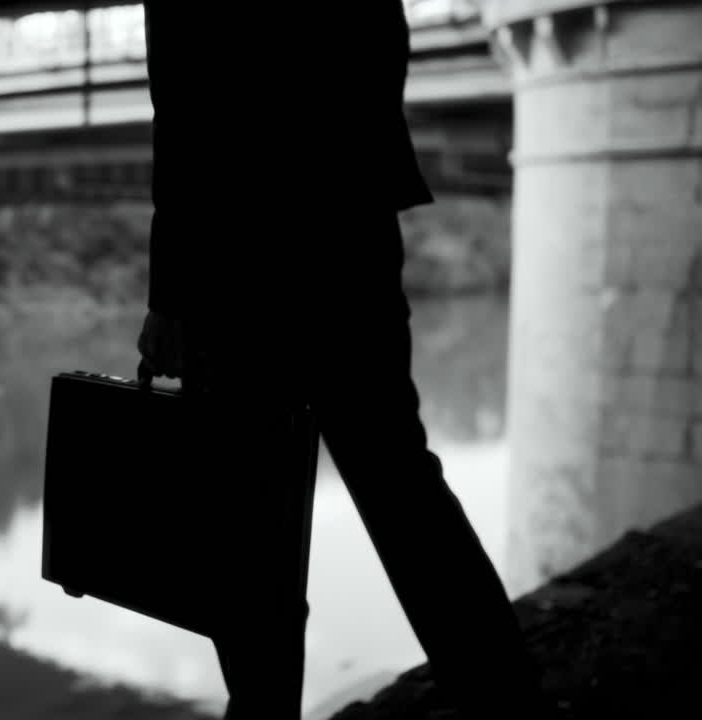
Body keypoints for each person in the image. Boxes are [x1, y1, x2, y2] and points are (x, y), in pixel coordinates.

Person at [134, 2, 547, 719]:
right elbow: (383, 38)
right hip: (348, 227)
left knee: (253, 511)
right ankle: (501, 694)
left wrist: (171, 295)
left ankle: (264, 708)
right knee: (400, 483)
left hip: (236, 252)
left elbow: (181, 100)